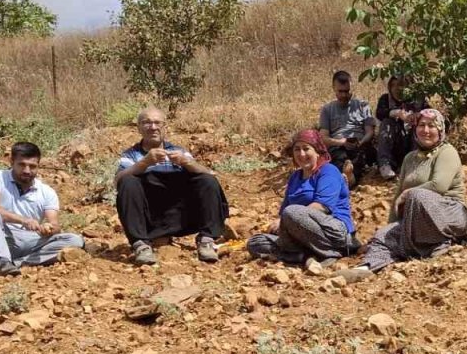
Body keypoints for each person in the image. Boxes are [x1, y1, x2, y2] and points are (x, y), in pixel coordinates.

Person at [338, 109, 466, 282]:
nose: (426, 130)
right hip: (415, 221)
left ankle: (439, 244)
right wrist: (392, 226)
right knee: (382, 235)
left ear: (441, 130)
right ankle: (366, 267)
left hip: (449, 214)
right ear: (415, 128)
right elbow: (398, 194)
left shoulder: (447, 152)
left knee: (416, 196)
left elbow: (439, 185)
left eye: (432, 126)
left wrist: (408, 194)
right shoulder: (410, 158)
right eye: (421, 125)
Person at [115, 107, 230, 266]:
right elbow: (118, 180)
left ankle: (206, 240)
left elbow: (209, 175)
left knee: (207, 181)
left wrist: (187, 163)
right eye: (147, 123)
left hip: (180, 213)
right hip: (150, 214)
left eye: (157, 122)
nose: (153, 127)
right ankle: (141, 245)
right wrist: (145, 162)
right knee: (128, 181)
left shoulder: (178, 151)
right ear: (139, 128)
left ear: (165, 127)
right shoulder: (131, 155)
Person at [247, 129, 359, 271]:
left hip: (333, 231)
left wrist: (285, 220)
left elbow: (323, 206)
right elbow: (284, 213)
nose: (301, 154)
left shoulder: (328, 171)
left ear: (318, 151)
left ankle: (332, 251)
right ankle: (307, 256)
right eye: (297, 150)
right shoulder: (295, 177)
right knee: (256, 242)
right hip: (302, 234)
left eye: (306, 149)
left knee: (291, 212)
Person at [0, 142, 85, 276]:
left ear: (39, 166)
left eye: (32, 166)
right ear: (11, 161)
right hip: (2, 235)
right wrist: (24, 220)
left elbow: (55, 225)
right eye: (22, 164)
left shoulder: (47, 192)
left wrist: (48, 228)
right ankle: (2, 261)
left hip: (31, 240)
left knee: (74, 240)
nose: (27, 170)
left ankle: (17, 263)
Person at [319, 70, 377, 188]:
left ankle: (349, 177)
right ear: (334, 88)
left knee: (360, 156)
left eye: (347, 91)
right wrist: (342, 142)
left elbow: (370, 131)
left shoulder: (362, 105)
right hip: (338, 145)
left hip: (360, 144)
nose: (344, 95)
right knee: (339, 157)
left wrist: (361, 142)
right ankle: (347, 177)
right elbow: (323, 138)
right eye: (340, 91)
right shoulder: (327, 109)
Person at [375, 75, 431, 180]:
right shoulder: (385, 99)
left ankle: (413, 165)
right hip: (395, 144)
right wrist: (397, 113)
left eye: (400, 85)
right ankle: (385, 164)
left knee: (419, 126)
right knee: (386, 123)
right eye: (393, 85)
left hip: (413, 144)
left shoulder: (418, 100)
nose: (396, 89)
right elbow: (380, 113)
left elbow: (430, 112)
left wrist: (418, 115)